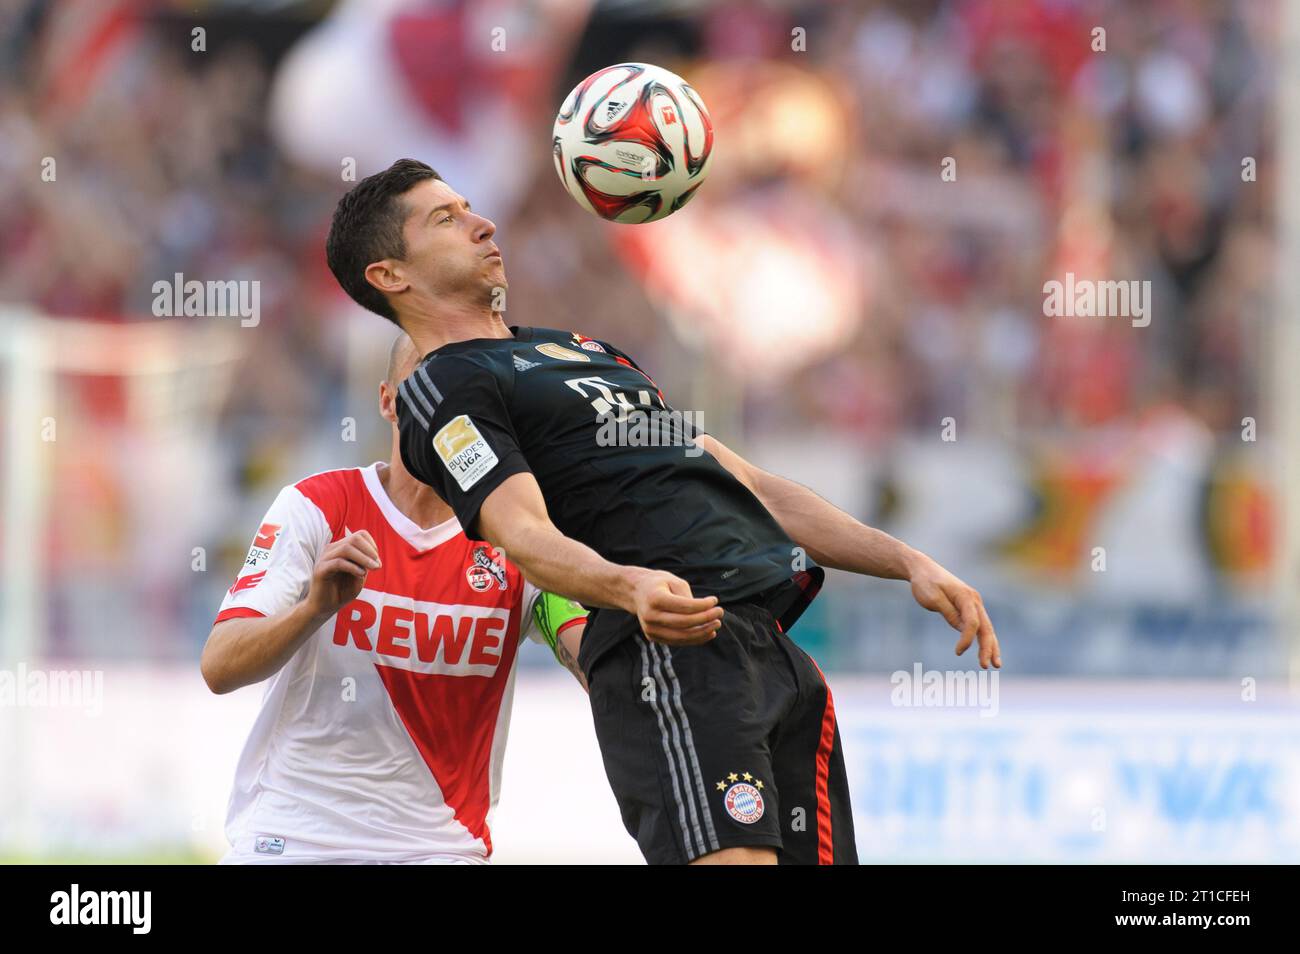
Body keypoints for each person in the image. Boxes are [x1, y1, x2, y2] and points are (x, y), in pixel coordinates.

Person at [325, 158, 1002, 865]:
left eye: (469, 206)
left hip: (771, 650)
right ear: (390, 276)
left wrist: (907, 561)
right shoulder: (445, 386)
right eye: (446, 219)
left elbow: (746, 482)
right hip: (671, 654)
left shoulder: (581, 350)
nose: (482, 222)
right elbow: (521, 533)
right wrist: (630, 586)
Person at [201, 333, 587, 864]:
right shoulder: (316, 508)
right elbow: (220, 666)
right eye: (427, 387)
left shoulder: (524, 541)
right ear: (387, 400)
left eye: (468, 396)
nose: (446, 410)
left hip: (436, 849)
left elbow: (593, 657)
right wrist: (314, 610)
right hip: (294, 835)